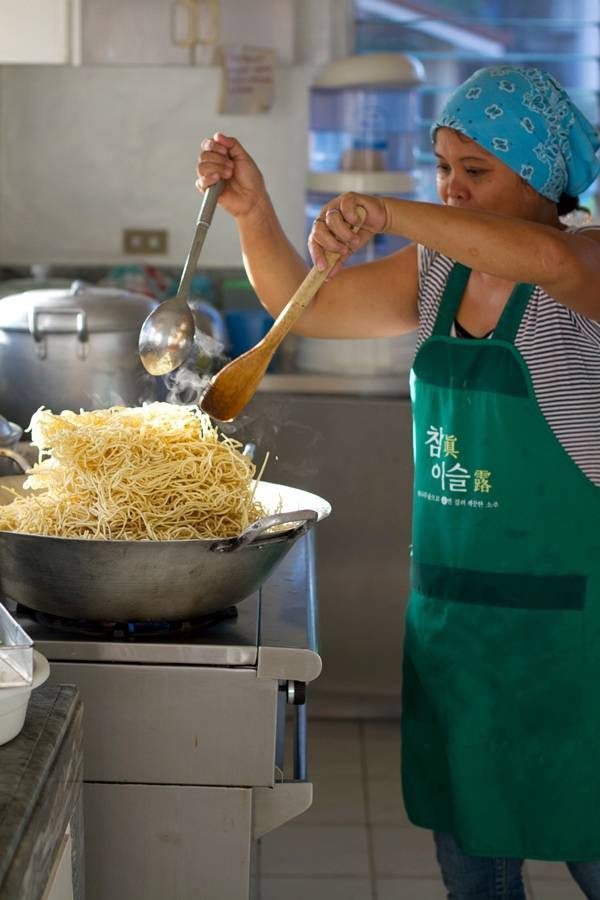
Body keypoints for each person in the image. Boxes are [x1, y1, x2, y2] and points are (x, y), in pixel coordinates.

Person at [196, 65, 600, 900]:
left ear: (542, 174)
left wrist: (381, 211)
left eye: (476, 171)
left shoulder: (583, 261)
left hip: (577, 641)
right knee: (475, 874)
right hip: (458, 631)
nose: (452, 188)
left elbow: (542, 255)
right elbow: (300, 304)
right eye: (443, 167)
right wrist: (253, 212)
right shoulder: (434, 275)